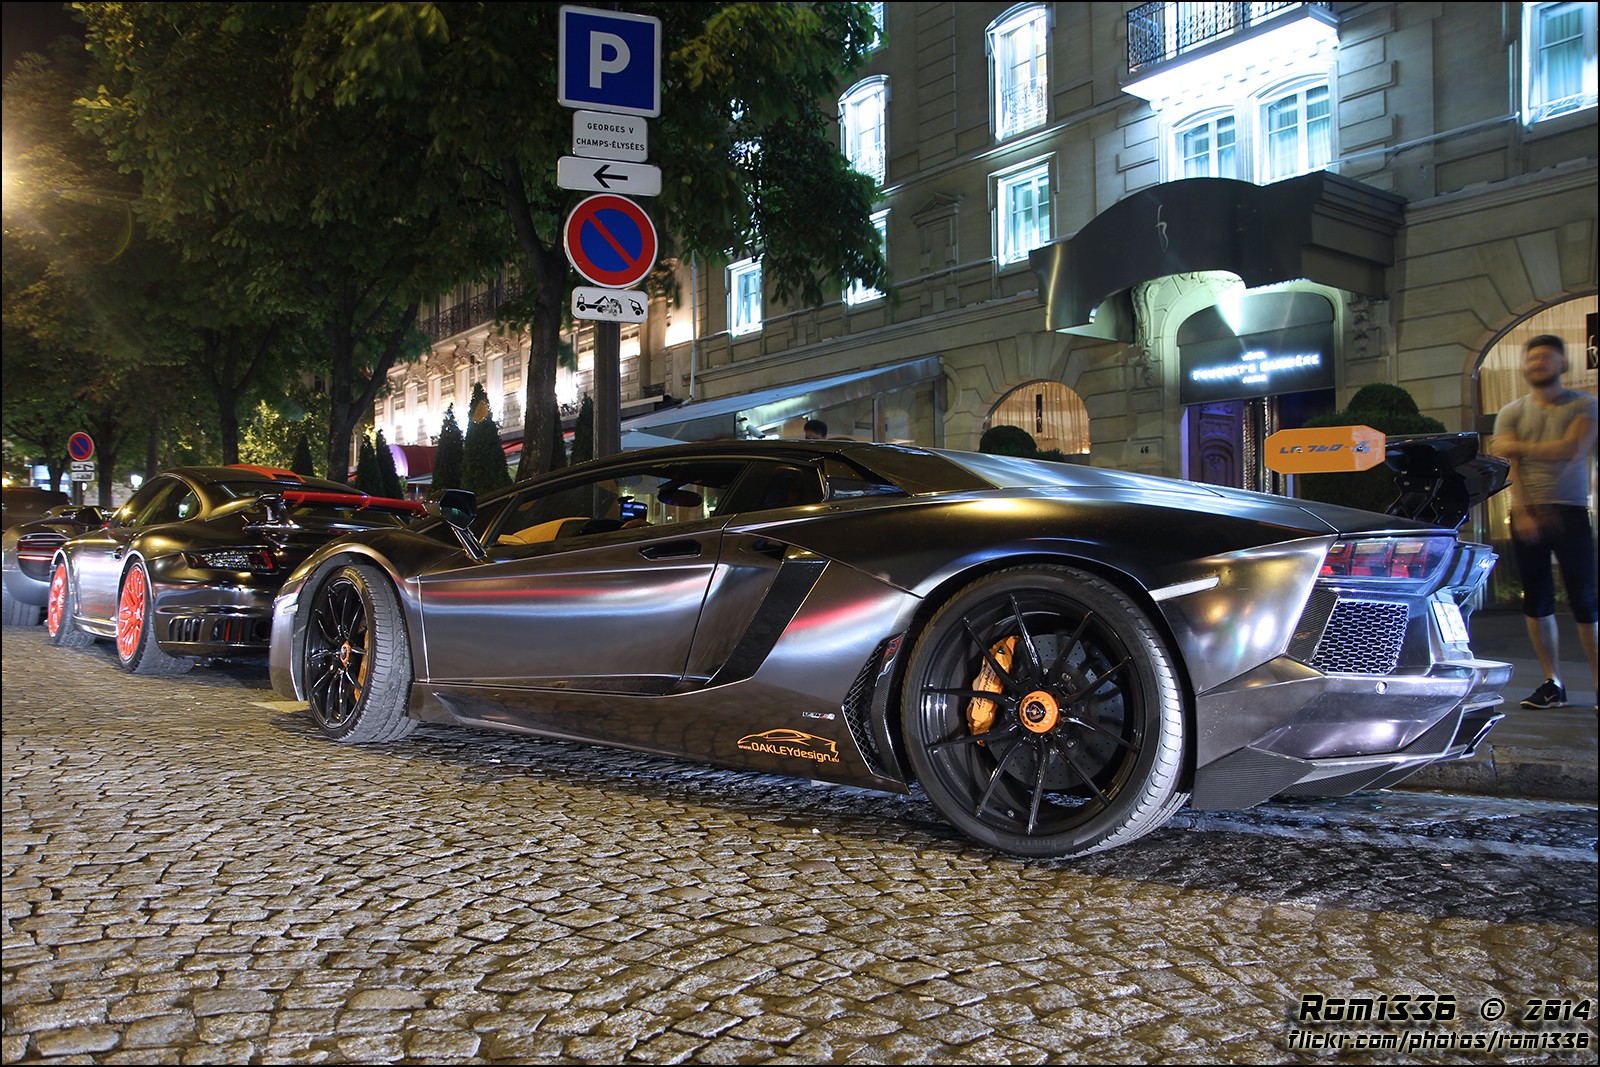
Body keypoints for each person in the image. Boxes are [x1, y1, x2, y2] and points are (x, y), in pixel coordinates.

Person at [1490, 333, 1599, 708]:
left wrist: (1518, 445)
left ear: (1563, 364)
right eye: (1533, 359)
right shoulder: (1511, 412)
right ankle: (1553, 683)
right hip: (1528, 514)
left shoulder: (1586, 405)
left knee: (1586, 601)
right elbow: (1511, 466)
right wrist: (1520, 511)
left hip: (1570, 511)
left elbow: (1572, 449)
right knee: (1537, 601)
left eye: (1547, 358)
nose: (1538, 364)